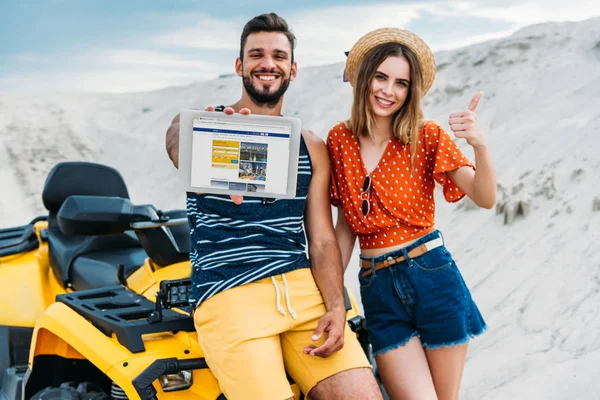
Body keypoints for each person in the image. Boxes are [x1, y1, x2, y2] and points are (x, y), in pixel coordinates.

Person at [165, 13, 381, 400]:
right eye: (257, 54)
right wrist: (216, 151)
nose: (268, 63)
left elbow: (322, 240)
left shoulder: (311, 147)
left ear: (292, 69)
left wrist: (336, 305)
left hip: (302, 293)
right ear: (240, 65)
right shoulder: (208, 126)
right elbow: (177, 140)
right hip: (229, 295)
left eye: (279, 56)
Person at [327, 28, 496, 400]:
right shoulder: (339, 140)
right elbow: (345, 229)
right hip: (377, 288)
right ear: (364, 78)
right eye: (381, 77)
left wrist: (480, 146)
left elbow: (485, 197)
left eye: (401, 83)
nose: (389, 91)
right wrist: (329, 297)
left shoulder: (427, 135)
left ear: (411, 91)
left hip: (432, 277)